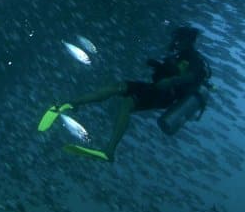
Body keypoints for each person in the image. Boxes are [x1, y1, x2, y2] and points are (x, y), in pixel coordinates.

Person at [38, 26, 211, 162]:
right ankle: (72, 103)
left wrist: (171, 80)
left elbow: (190, 76)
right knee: (118, 87)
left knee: (127, 103)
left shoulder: (193, 59)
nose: (176, 41)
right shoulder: (180, 55)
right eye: (176, 38)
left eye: (179, 39)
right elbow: (171, 73)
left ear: (188, 40)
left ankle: (109, 150)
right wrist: (158, 66)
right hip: (157, 89)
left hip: (166, 95)